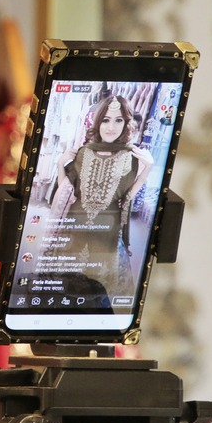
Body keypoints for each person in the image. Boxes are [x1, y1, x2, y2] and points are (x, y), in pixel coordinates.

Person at [46, 94, 154, 297]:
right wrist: (61, 164)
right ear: (97, 122)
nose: (111, 127)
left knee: (97, 291)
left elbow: (128, 198)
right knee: (66, 287)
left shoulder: (132, 157)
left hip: (107, 232)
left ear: (126, 123)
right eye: (105, 120)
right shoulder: (83, 152)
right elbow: (66, 193)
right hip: (75, 227)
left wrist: (147, 169)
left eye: (118, 120)